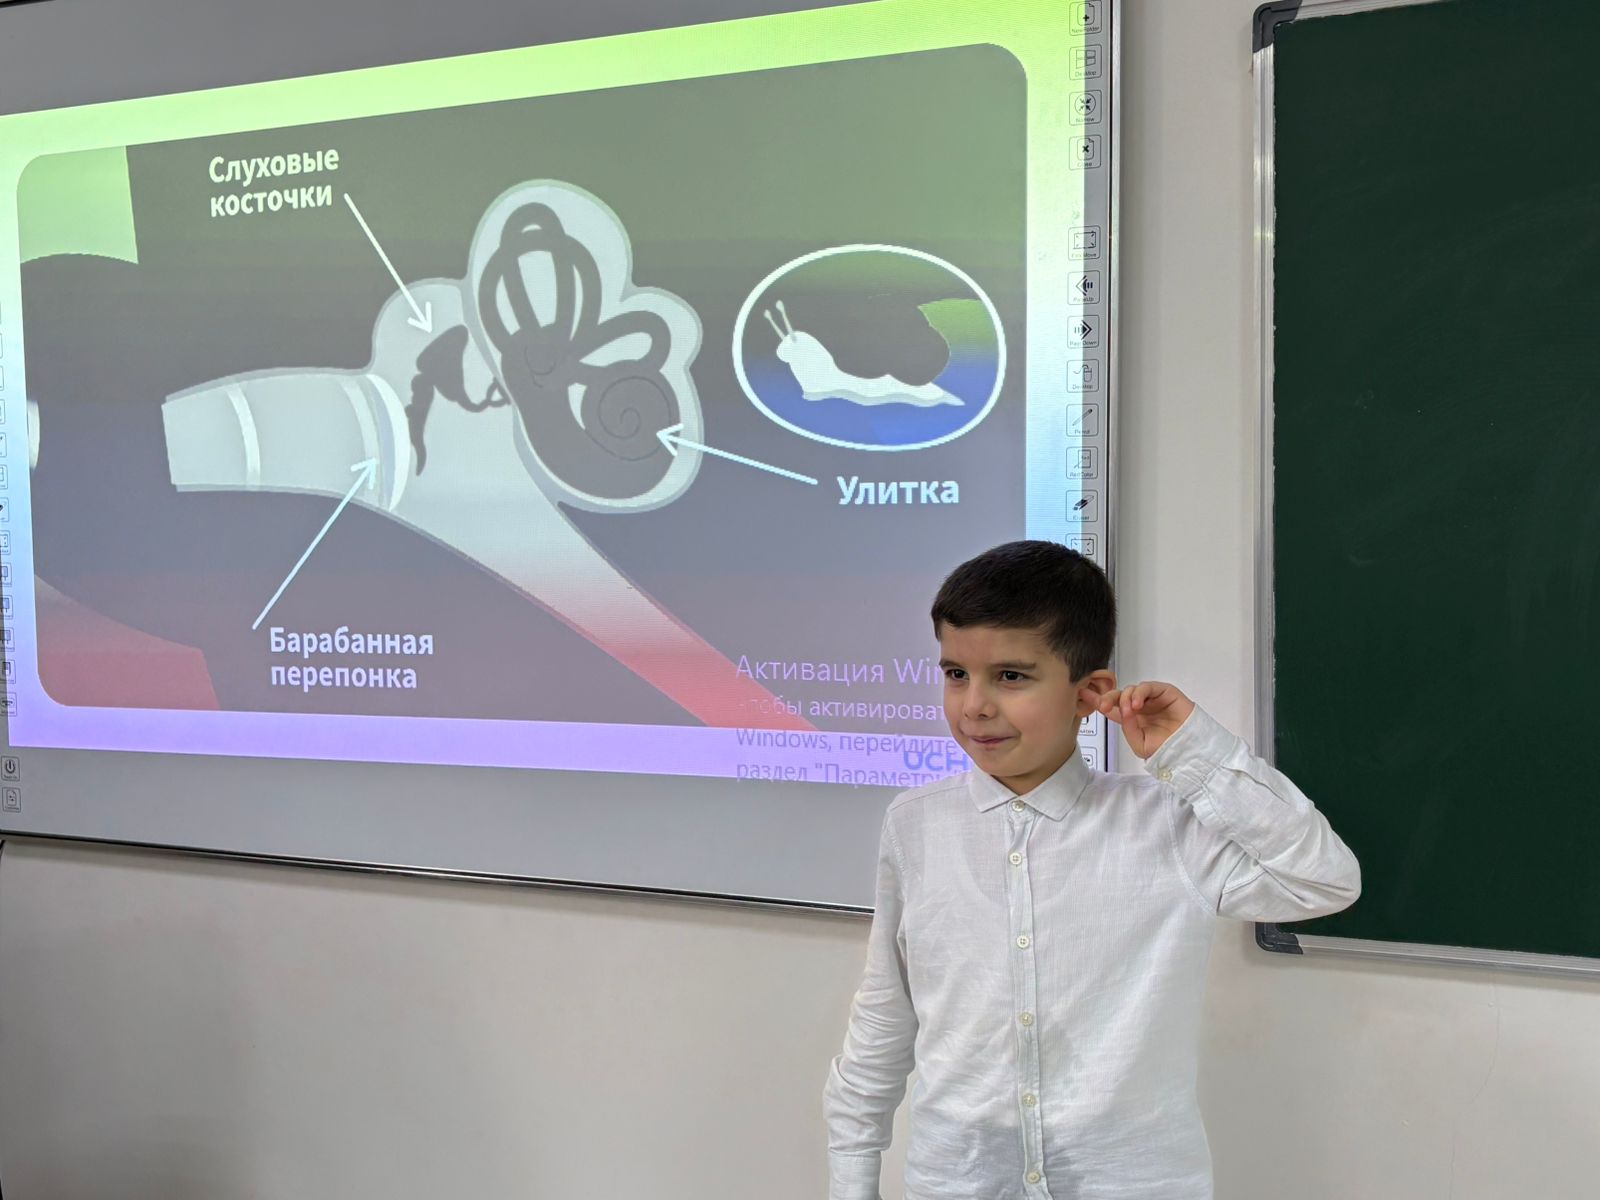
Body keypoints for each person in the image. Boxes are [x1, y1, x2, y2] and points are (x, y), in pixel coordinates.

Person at [823, 540, 1361, 1200]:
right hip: (958, 1181)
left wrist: (1192, 750)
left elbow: (1323, 879)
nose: (974, 705)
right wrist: (852, 1181)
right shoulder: (916, 824)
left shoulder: (1166, 825)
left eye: (1010, 677)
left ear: (1090, 694)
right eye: (956, 673)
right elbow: (885, 1016)